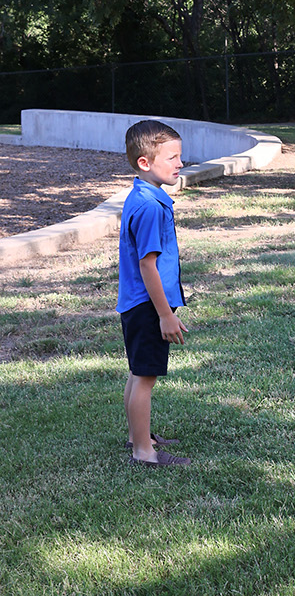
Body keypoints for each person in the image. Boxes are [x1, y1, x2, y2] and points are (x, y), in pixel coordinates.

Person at [118, 119, 191, 465]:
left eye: (180, 157)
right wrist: (165, 314)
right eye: (173, 157)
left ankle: (139, 436)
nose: (180, 163)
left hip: (137, 304)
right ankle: (143, 453)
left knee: (137, 372)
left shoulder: (144, 196)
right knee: (145, 377)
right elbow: (148, 266)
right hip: (148, 306)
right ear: (144, 163)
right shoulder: (149, 206)